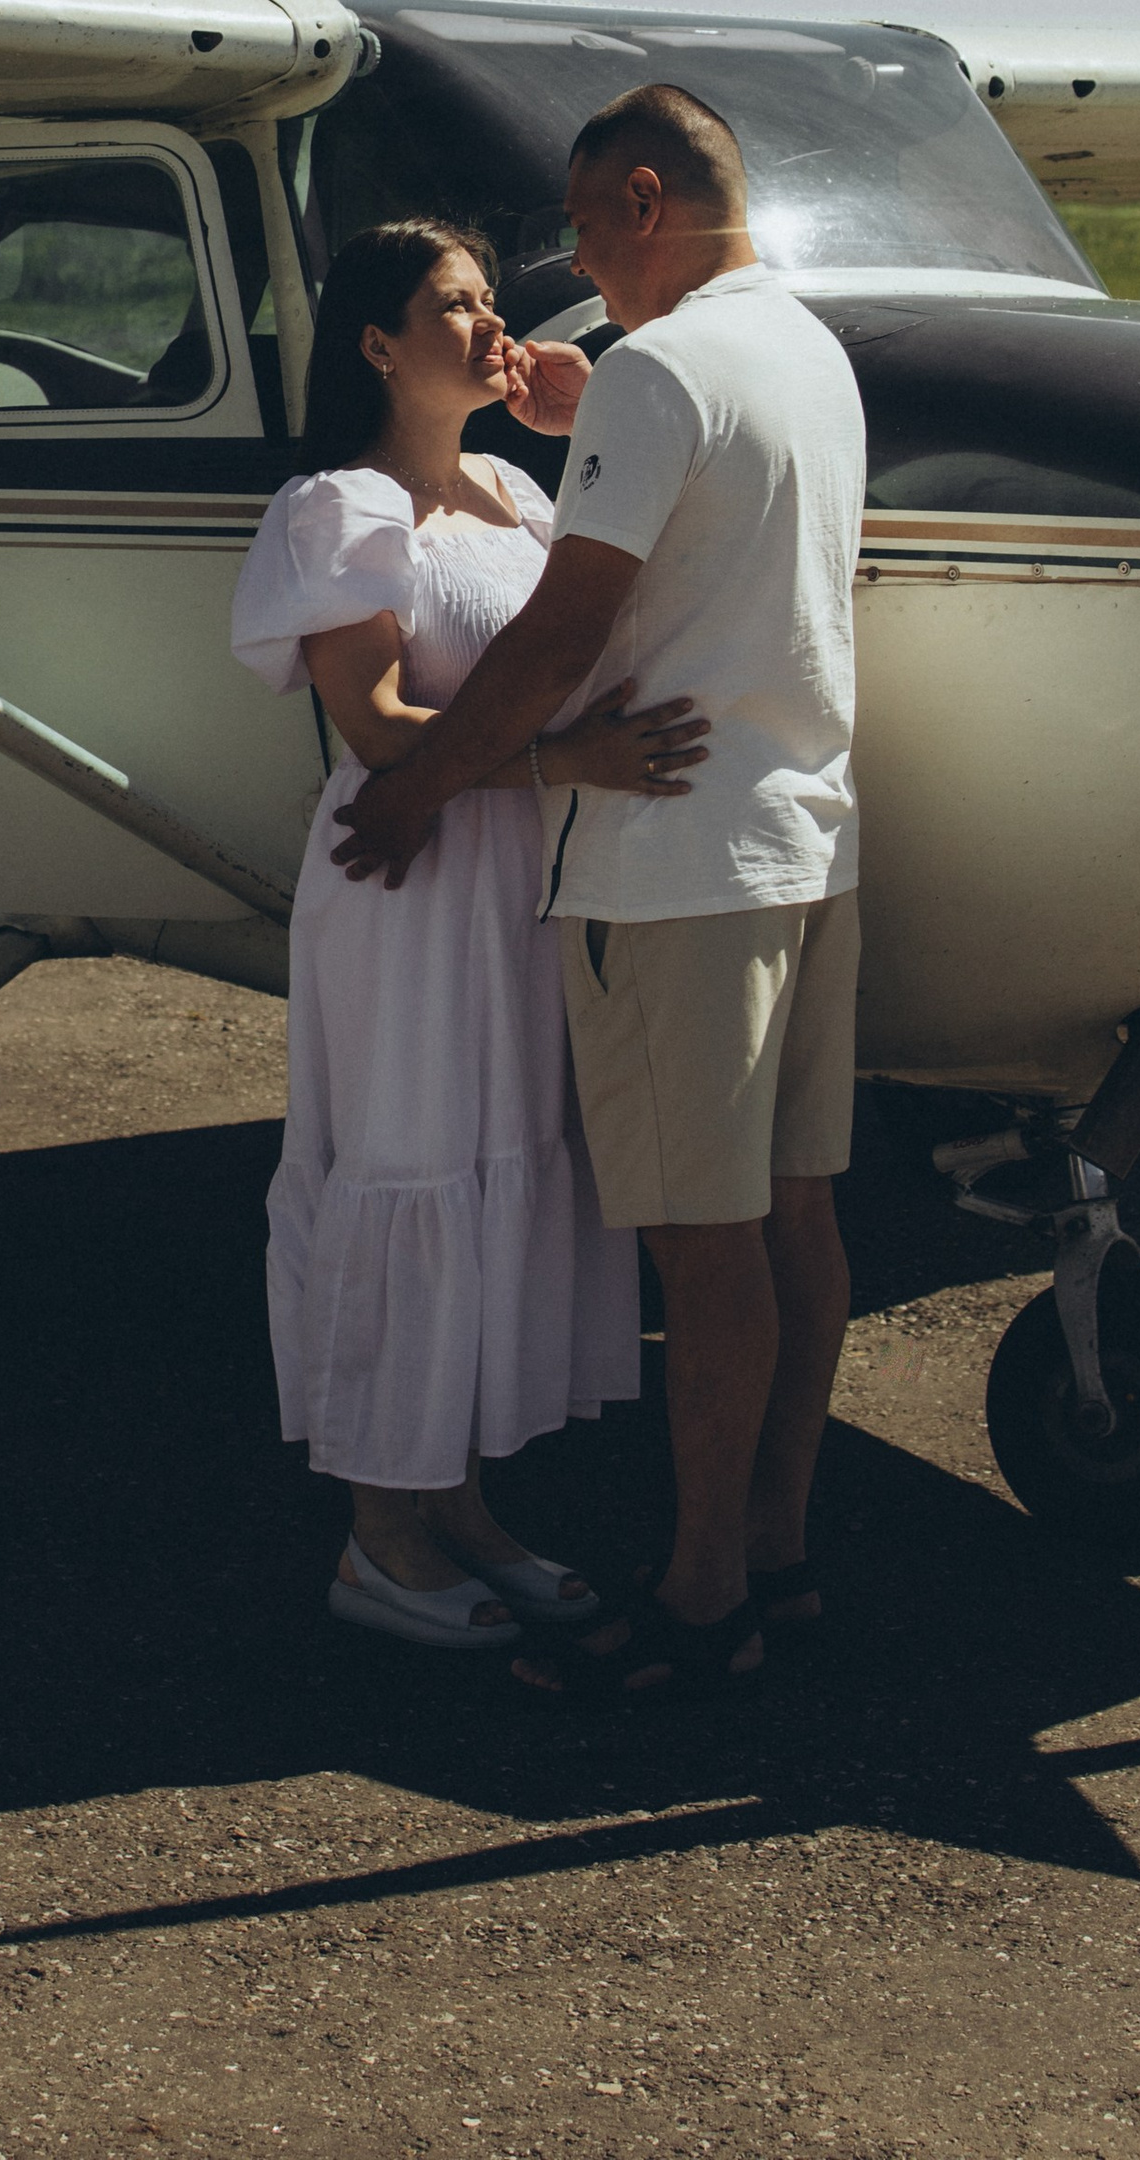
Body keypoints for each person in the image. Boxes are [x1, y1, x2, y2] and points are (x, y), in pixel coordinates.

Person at [333, 89, 867, 1701]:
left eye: (578, 229)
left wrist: (415, 786)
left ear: (643, 201)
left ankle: (702, 1596)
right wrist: (588, 416)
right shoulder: (807, 353)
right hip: (808, 837)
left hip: (674, 865)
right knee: (796, 1222)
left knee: (701, 1251)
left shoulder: (661, 370)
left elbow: (560, 641)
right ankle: (774, 1549)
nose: (570, 265)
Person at [230, 218, 714, 1651]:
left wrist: (573, 414)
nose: (486, 322)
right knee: (411, 1161)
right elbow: (377, 731)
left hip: (516, 879)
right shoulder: (340, 508)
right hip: (411, 881)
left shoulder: (514, 490)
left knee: (504, 1154)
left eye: (488, 300)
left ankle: (461, 1504)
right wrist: (572, 768)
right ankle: (380, 1532)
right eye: (454, 304)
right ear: (379, 343)